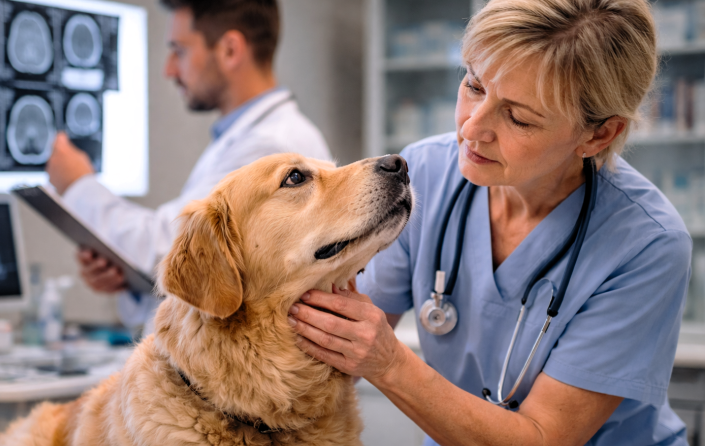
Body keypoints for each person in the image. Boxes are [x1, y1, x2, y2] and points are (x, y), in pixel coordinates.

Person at [287, 0, 691, 444]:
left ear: (599, 134)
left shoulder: (647, 244)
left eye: (518, 117)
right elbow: (331, 335)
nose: (471, 128)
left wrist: (389, 363)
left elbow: (543, 437)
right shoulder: (425, 174)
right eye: (474, 86)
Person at [46, 0, 331, 335]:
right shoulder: (247, 137)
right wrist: (127, 279)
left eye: (178, 51)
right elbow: (215, 274)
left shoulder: (270, 147)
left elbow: (171, 249)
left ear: (229, 49)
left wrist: (78, 186)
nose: (169, 69)